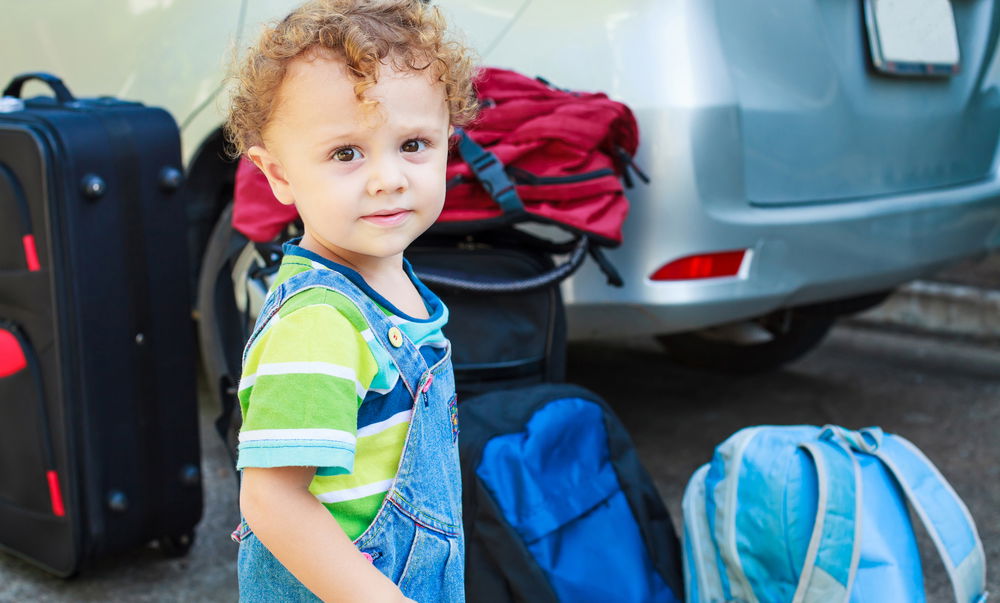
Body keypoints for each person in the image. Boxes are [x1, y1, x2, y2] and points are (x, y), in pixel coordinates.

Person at [223, 0, 477, 600]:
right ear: (278, 175)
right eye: (346, 153)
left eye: (414, 144)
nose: (388, 177)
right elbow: (273, 498)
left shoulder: (396, 285)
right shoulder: (319, 323)